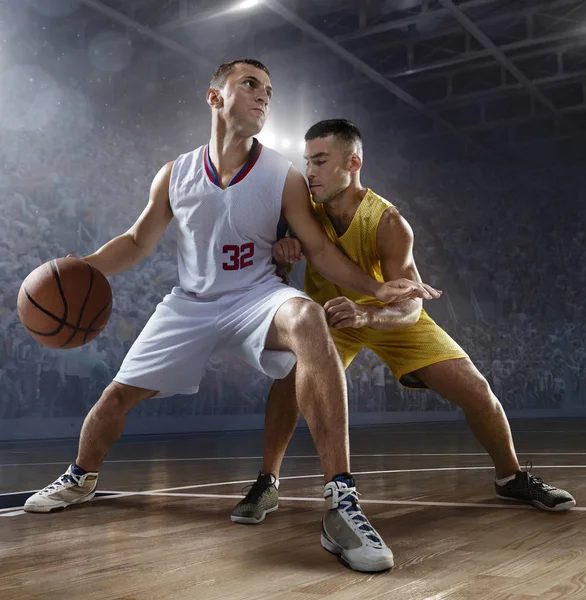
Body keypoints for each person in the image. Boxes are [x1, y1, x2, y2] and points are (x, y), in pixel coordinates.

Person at [24, 60, 440, 573]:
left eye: (269, 89)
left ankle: (341, 501)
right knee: (115, 397)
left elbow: (320, 251)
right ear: (214, 97)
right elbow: (136, 243)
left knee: (308, 319)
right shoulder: (175, 173)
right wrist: (76, 271)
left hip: (255, 298)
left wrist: (378, 287)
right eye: (250, 84)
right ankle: (80, 477)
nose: (264, 95)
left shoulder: (283, 175)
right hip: (189, 304)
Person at [230, 119, 575, 531]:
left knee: (478, 391)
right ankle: (267, 481)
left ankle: (511, 477)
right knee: (287, 381)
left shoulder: (389, 222)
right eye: (308, 162)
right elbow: (275, 269)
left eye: (321, 161)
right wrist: (284, 254)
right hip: (330, 318)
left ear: (353, 161)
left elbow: (410, 308)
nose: (311, 171)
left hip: (386, 316)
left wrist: (367, 313)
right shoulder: (304, 208)